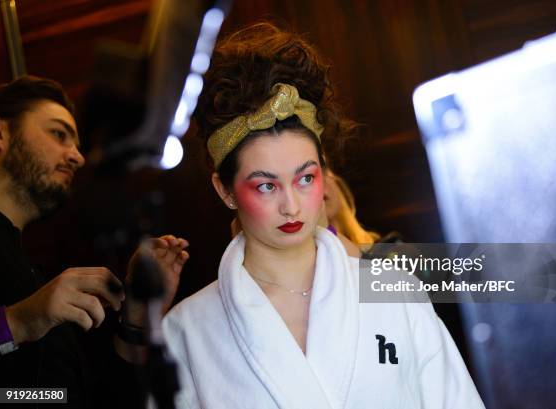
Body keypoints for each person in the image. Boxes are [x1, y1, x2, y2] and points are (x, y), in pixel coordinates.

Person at [162, 22, 485, 409]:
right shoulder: (185, 332)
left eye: (305, 178)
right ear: (225, 190)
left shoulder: (393, 290)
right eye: (265, 185)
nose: (291, 206)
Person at [0, 75, 189, 408]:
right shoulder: (32, 303)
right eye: (58, 134)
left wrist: (136, 321)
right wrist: (18, 322)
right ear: (0, 134)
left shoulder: (33, 276)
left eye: (77, 144)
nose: (77, 156)